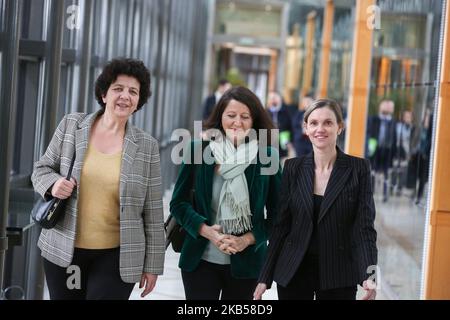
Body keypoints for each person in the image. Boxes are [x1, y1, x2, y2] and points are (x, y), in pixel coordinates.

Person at [31, 58, 165, 300]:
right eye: (118, 89)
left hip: (116, 256)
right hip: (64, 250)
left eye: (133, 91)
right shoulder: (72, 125)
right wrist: (53, 184)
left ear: (138, 102)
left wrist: (153, 265)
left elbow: (153, 210)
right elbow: (41, 169)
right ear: (104, 95)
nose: (125, 96)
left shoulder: (147, 147)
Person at [254, 98, 378, 300]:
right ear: (306, 128)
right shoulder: (292, 168)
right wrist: (264, 277)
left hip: (339, 274)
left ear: (340, 127)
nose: (320, 128)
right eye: (314, 123)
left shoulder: (358, 169)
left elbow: (364, 228)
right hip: (294, 271)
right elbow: (281, 226)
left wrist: (371, 276)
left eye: (328, 122)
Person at [170, 86, 282, 300]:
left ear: (254, 121)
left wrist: (247, 239)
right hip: (199, 261)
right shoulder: (198, 150)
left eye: (245, 117)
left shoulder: (268, 157)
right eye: (231, 115)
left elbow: (279, 215)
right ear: (220, 117)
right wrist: (207, 231)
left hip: (247, 266)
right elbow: (178, 203)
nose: (237, 122)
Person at [366, 99, 397, 202]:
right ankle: (371, 192)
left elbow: (395, 138)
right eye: (385, 106)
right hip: (375, 148)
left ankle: (385, 194)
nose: (387, 108)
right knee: (373, 171)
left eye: (389, 106)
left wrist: (394, 154)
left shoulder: (392, 122)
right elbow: (368, 133)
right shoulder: (373, 119)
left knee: (386, 172)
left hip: (387, 150)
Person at [266, 91, 293, 160]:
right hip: (269, 141)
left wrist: (291, 141)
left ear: (280, 99)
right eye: (270, 98)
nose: (272, 100)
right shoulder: (266, 112)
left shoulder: (287, 111)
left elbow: (291, 127)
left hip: (282, 140)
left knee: (280, 160)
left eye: (274, 98)